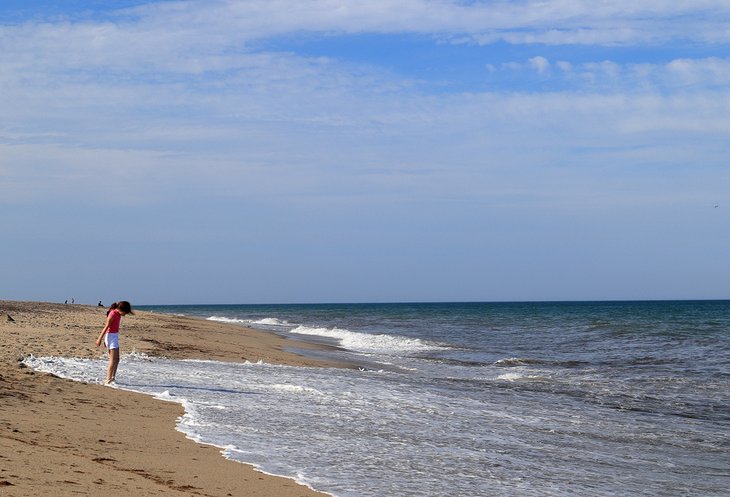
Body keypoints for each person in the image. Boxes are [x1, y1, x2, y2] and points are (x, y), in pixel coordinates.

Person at [95, 301, 133, 385]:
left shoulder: (118, 314)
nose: (125, 315)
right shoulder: (112, 314)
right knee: (112, 360)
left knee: (117, 359)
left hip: (114, 336)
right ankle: (108, 380)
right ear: (121, 309)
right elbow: (106, 327)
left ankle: (113, 378)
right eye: (125, 313)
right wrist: (100, 339)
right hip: (110, 337)